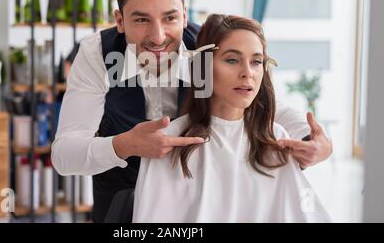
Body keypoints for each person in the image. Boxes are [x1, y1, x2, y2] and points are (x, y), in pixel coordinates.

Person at [51, 0, 333, 223]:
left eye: (169, 18)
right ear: (120, 20)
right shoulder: (97, 55)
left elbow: (257, 100)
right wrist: (125, 144)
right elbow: (64, 155)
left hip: (192, 193)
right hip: (119, 197)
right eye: (141, 19)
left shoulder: (207, 49)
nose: (158, 36)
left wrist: (314, 140)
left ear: (184, 15)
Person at [133, 14, 331, 222]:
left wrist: (322, 143)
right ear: (204, 66)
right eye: (232, 60)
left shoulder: (274, 139)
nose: (247, 73)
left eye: (256, 62)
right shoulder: (166, 143)